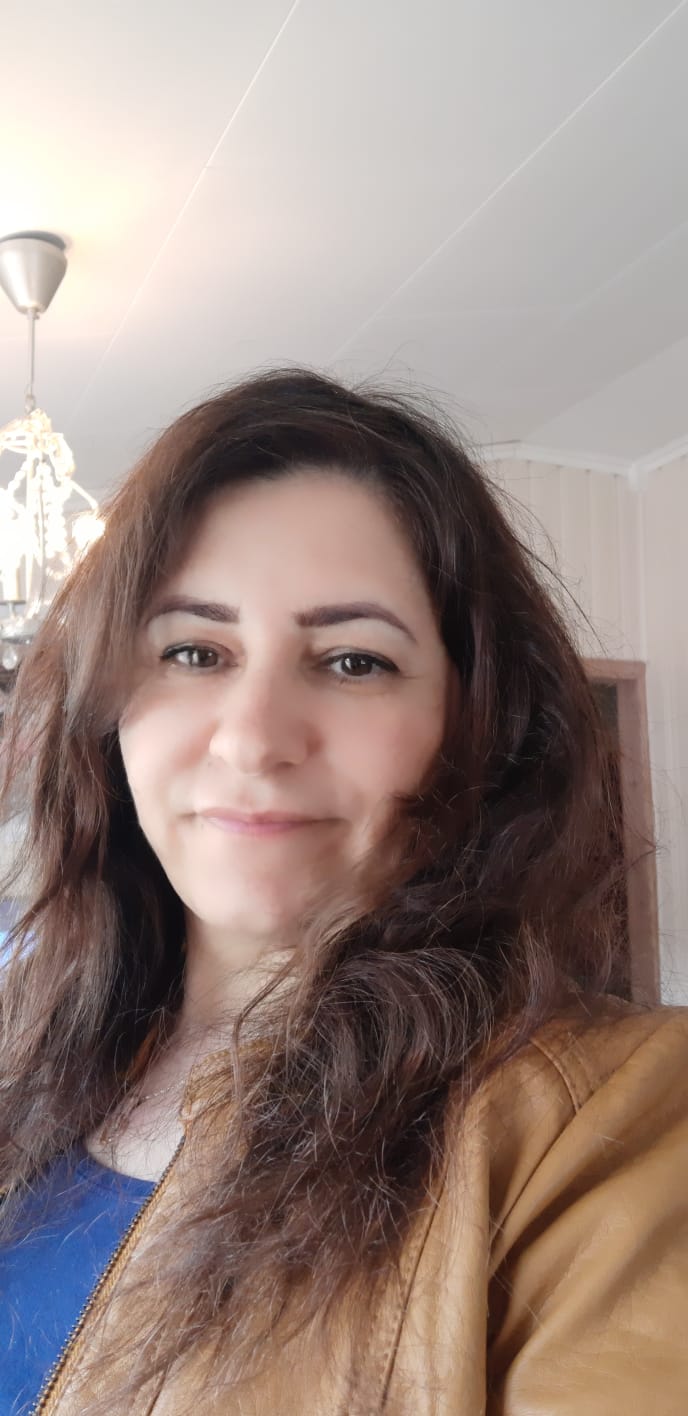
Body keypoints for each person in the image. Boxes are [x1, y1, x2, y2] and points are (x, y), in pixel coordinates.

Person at [0, 367, 686, 1416]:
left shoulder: (610, 1126)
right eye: (194, 650)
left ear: (476, 725)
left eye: (354, 661)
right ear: (111, 713)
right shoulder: (32, 1046)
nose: (253, 739)